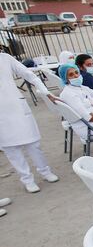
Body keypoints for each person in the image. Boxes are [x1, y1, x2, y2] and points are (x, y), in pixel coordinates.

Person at [0, 52, 59, 193]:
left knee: (33, 143)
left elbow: (28, 74)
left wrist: (45, 91)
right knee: (11, 150)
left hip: (16, 106)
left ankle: (45, 171)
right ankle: (27, 180)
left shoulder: (5, 58)